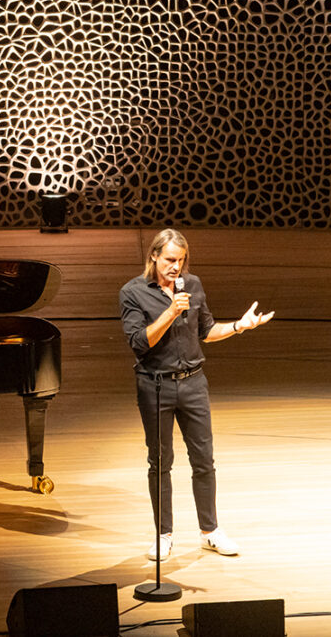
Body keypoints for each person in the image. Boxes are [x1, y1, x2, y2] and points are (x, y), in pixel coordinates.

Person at [119, 229, 273, 561]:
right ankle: (163, 535)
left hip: (193, 383)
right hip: (155, 384)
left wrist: (238, 327)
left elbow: (206, 331)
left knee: (204, 461)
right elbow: (139, 342)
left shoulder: (194, 285)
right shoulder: (132, 293)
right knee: (160, 462)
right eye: (171, 260)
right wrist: (171, 311)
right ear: (154, 257)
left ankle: (210, 532)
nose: (177, 267)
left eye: (182, 260)